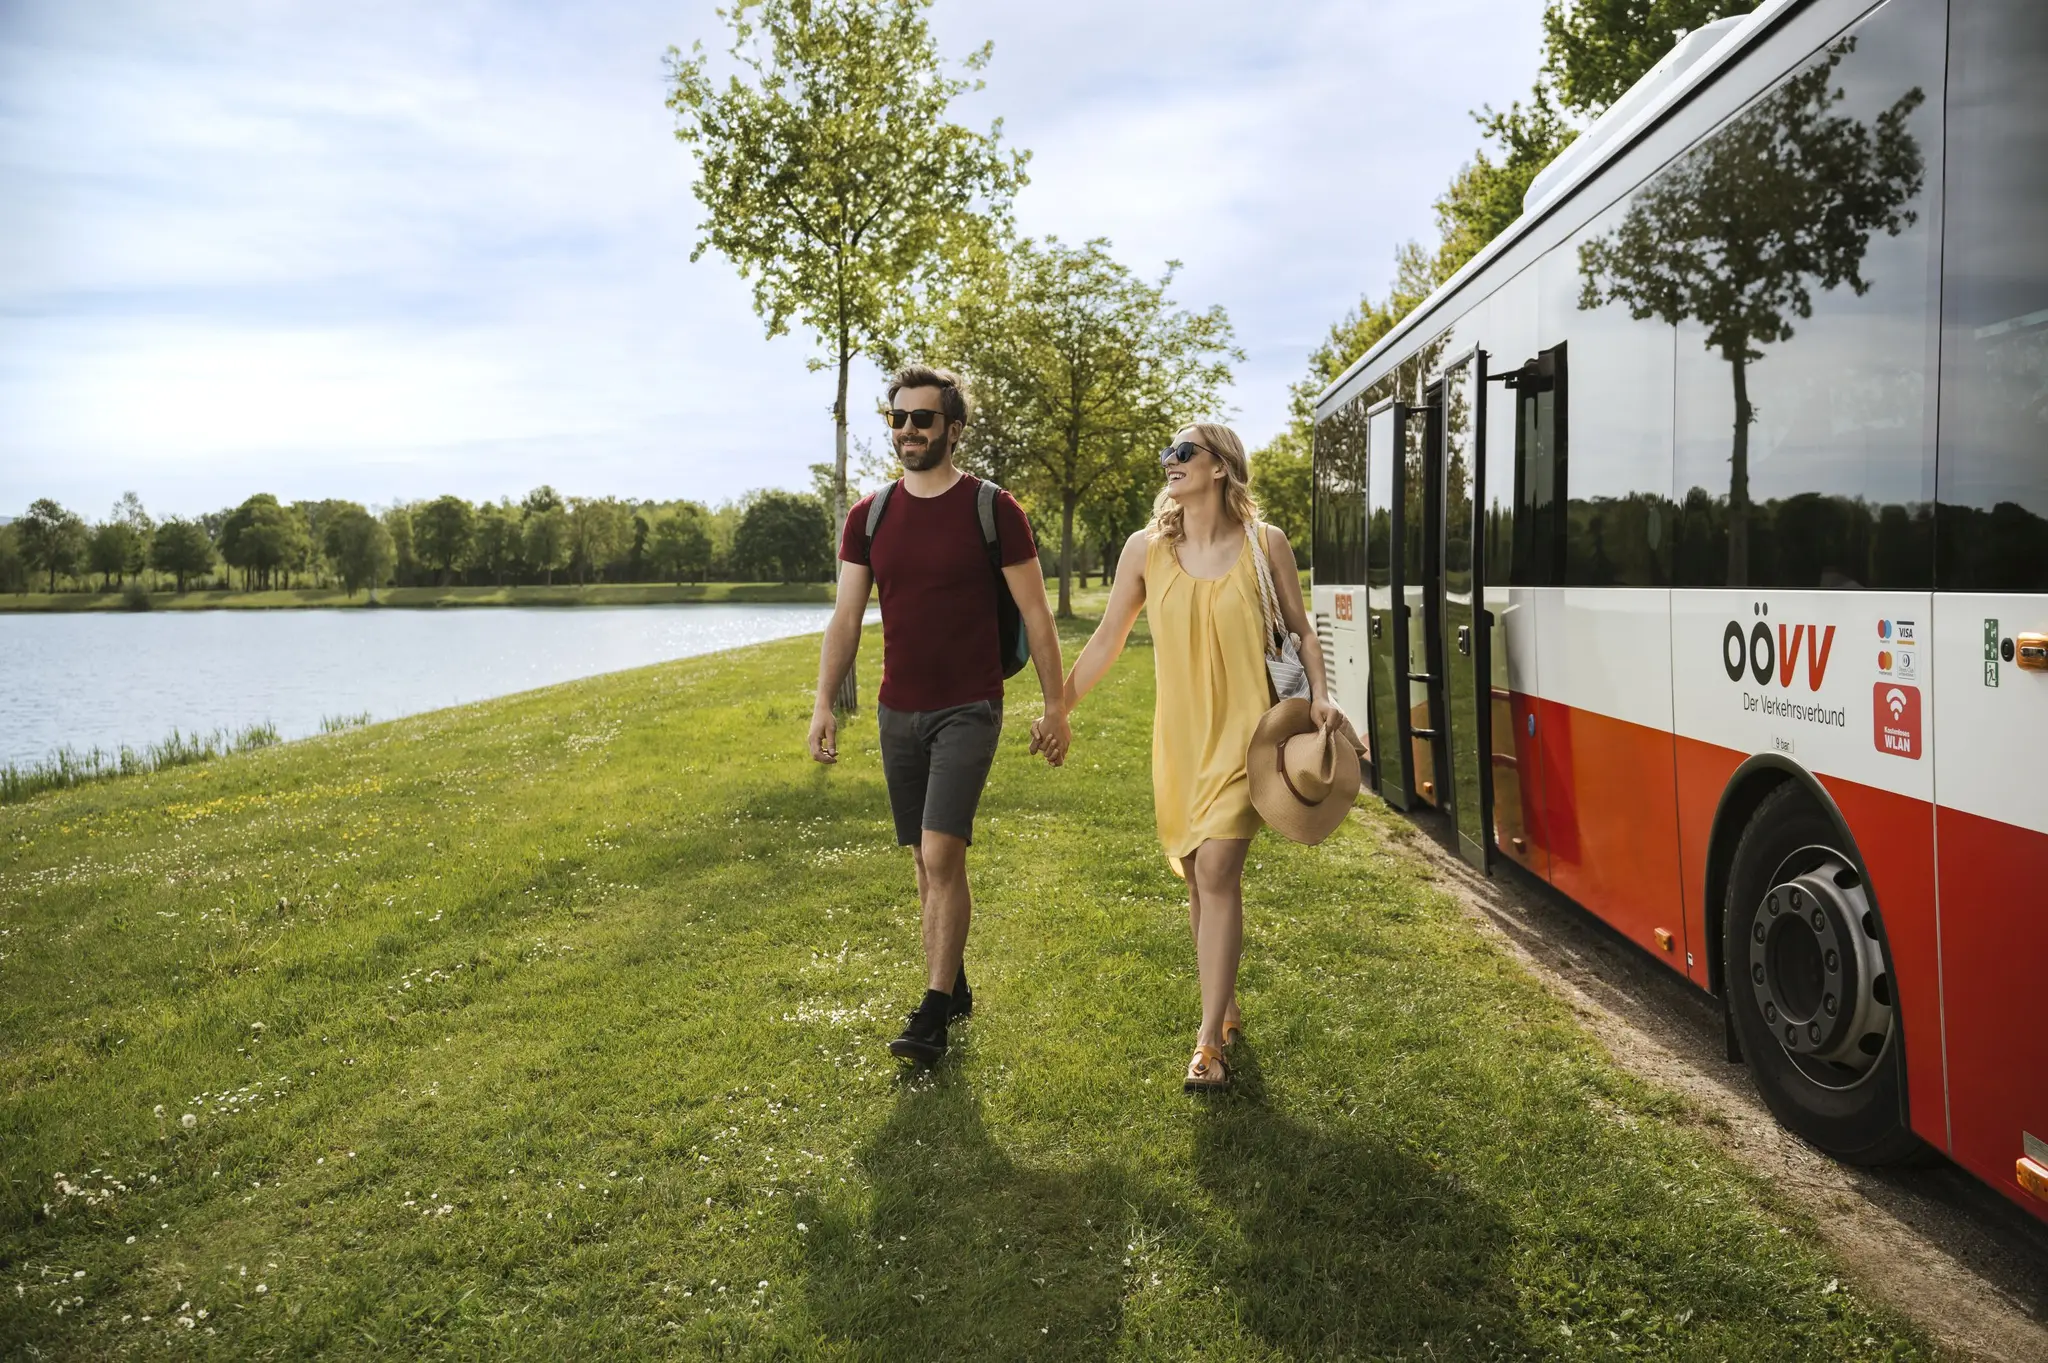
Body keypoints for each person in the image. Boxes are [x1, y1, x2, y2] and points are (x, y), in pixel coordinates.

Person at [1037, 422, 1341, 1092]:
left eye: (1182, 452)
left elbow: (1299, 628)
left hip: (1246, 737)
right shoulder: (1145, 549)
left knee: (1219, 870)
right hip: (1179, 741)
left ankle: (1207, 1044)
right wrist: (1060, 707)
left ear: (1221, 467)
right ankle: (1223, 1003)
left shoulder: (1265, 543)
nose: (1168, 462)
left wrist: (1320, 695)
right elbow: (1108, 638)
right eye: (1166, 452)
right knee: (1198, 878)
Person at [809, 364, 1071, 1064]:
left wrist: (1056, 705)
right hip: (898, 710)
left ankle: (930, 1014)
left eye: (922, 419)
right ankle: (952, 985)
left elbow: (1037, 614)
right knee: (923, 863)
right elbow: (846, 617)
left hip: (969, 706)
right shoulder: (870, 516)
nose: (908, 430)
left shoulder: (993, 508)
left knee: (941, 851)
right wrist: (824, 703)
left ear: (953, 428)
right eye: (897, 418)